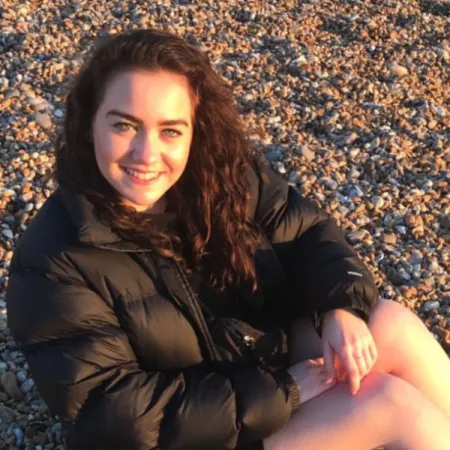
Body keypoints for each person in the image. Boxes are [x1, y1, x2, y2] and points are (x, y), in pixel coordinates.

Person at [6, 29, 450, 450]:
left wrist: (341, 307)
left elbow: (310, 235)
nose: (147, 154)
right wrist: (286, 390)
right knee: (390, 404)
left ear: (195, 130)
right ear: (89, 125)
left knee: (388, 325)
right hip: (179, 436)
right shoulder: (51, 262)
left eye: (170, 131)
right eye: (124, 126)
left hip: (249, 382)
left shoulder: (222, 179)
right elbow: (119, 411)